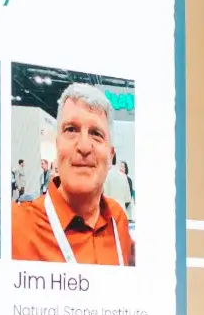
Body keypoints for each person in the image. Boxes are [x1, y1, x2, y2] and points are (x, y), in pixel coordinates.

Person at [12, 83, 134, 264]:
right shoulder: (15, 227)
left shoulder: (118, 221)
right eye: (71, 130)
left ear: (110, 156)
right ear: (57, 145)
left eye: (96, 133)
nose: (84, 146)